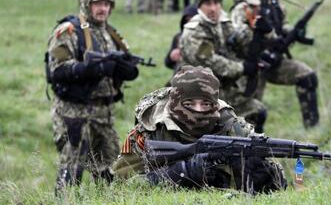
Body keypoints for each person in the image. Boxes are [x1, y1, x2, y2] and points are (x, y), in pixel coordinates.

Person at [112, 65, 287, 193]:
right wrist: (179, 173)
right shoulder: (149, 132)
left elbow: (281, 185)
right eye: (189, 104)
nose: (198, 110)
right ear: (174, 104)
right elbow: (120, 187)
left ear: (216, 104)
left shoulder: (236, 129)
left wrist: (267, 177)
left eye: (206, 104)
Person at [46, 0, 139, 192]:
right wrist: (88, 68)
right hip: (74, 112)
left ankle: (108, 203)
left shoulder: (110, 34)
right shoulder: (69, 31)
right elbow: (57, 71)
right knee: (72, 167)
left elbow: (124, 64)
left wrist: (125, 69)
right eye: (98, 3)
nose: (103, 8)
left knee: (113, 171)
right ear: (87, 4)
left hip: (104, 113)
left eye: (107, 4)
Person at [230, 0, 320, 128]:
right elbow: (236, 35)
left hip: (275, 61)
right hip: (252, 66)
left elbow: (282, 25)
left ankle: (313, 128)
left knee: (308, 77)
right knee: (252, 112)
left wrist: (294, 32)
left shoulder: (275, 3)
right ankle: (251, 147)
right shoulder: (244, 7)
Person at [178, 0, 267, 133]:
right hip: (199, 96)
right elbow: (209, 62)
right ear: (200, 6)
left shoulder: (224, 23)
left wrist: (258, 32)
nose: (213, 8)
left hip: (224, 90)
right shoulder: (193, 31)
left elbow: (240, 42)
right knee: (219, 132)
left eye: (216, 3)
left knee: (257, 112)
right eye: (208, 3)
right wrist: (242, 68)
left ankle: (252, 151)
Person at [164, 4, 198, 72]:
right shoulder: (178, 37)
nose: (190, 22)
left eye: (193, 20)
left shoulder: (206, 37)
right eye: (187, 20)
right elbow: (168, 63)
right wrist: (171, 57)